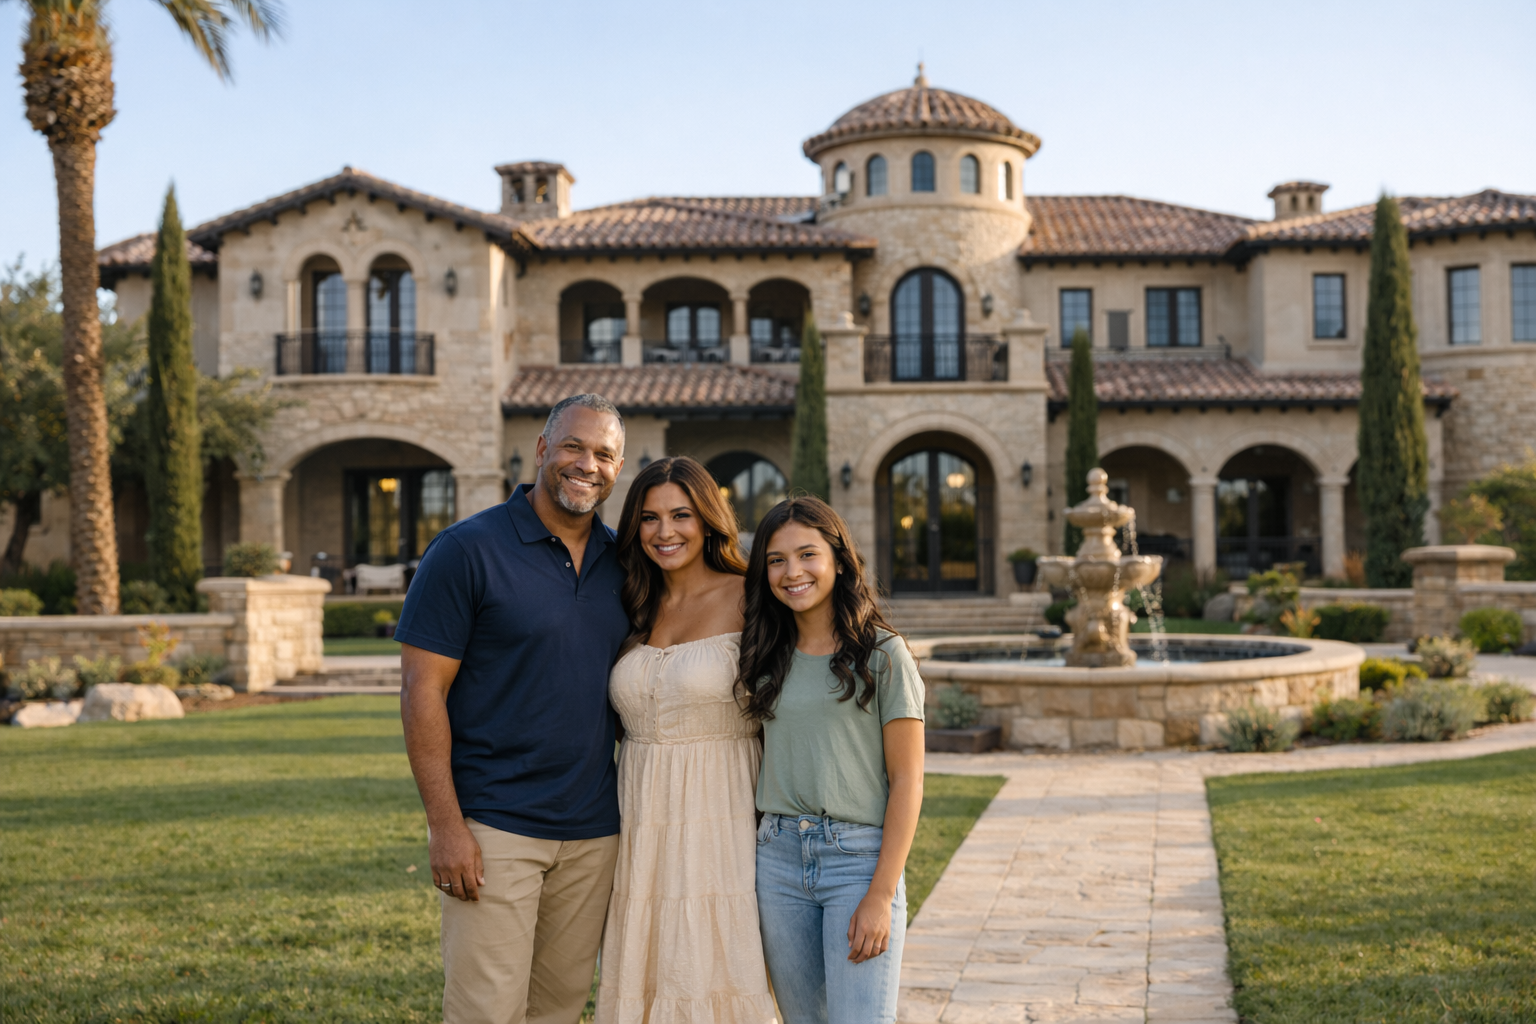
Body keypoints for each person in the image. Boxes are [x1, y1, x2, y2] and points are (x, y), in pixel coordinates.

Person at [396, 393, 629, 1024]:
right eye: (575, 446)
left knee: (556, 1010)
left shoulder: (624, 564)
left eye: (604, 454)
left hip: (593, 833)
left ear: (618, 467)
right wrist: (446, 827)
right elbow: (422, 692)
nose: (588, 464)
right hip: (494, 827)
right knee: (486, 1013)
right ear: (542, 450)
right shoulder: (466, 550)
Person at [595, 456, 777, 1024]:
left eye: (681, 515)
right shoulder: (631, 604)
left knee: (718, 960)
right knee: (649, 962)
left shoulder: (752, 597)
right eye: (649, 518)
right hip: (642, 818)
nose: (665, 531)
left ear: (708, 519)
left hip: (724, 815)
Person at [739, 497, 925, 1024]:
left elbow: (908, 779)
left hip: (858, 862)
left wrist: (881, 895)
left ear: (839, 561)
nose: (792, 572)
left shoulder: (884, 655)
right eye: (776, 560)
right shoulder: (764, 654)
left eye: (807, 555)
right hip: (776, 861)